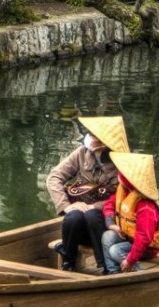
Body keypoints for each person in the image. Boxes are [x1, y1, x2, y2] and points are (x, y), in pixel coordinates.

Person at [46, 116, 129, 273]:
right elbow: (54, 177)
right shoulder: (81, 153)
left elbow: (125, 196)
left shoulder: (122, 162)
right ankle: (68, 261)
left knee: (91, 214)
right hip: (82, 218)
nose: (90, 137)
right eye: (90, 133)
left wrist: (94, 206)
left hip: (109, 222)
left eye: (95, 135)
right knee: (72, 216)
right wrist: (66, 206)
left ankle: (105, 264)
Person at [101, 152, 159, 273]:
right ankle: (113, 273)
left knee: (115, 250)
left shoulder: (145, 206)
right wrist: (110, 223)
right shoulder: (125, 190)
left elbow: (144, 238)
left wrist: (130, 260)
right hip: (128, 237)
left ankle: (138, 273)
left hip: (146, 247)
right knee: (107, 236)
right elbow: (109, 204)